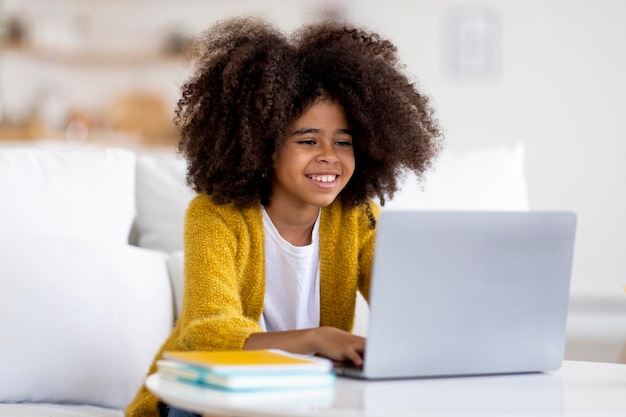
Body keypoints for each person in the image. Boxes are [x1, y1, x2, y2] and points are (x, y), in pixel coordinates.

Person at [126, 16, 441, 417]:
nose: (329, 155)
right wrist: (319, 338)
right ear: (262, 144)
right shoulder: (215, 217)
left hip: (303, 398)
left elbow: (407, 310)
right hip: (206, 394)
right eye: (308, 140)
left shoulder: (358, 219)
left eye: (343, 141)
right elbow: (208, 332)